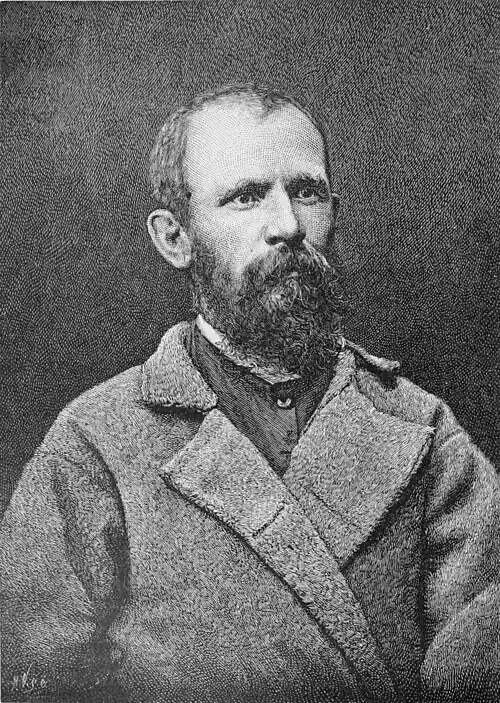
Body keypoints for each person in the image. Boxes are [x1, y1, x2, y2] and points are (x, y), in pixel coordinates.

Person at [1, 84, 499, 703]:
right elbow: (32, 678)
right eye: (246, 197)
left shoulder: (422, 428)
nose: (287, 225)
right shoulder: (95, 441)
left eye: (307, 193)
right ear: (175, 238)